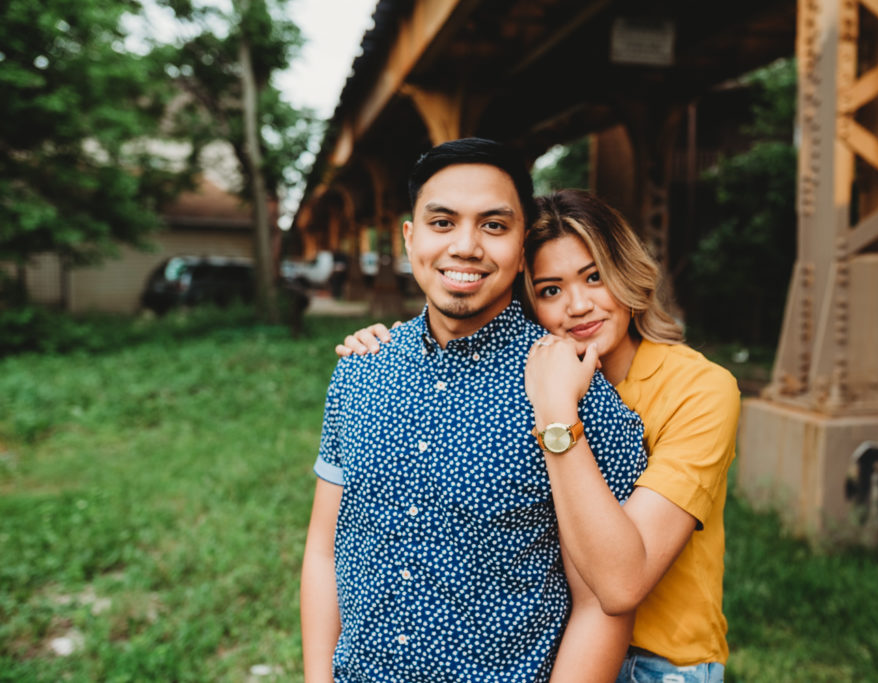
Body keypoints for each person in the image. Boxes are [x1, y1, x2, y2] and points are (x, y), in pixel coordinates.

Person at [339, 189, 741, 682]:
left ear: (628, 272)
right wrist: (397, 344)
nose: (577, 305)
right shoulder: (514, 381)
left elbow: (620, 585)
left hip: (654, 663)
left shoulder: (700, 391)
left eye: (595, 277)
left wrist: (557, 414)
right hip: (549, 650)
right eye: (550, 290)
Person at [301, 140, 647, 683]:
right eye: (442, 222)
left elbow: (603, 606)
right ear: (410, 236)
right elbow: (325, 550)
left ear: (520, 244)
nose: (465, 246)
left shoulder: (573, 391)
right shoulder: (360, 372)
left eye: (493, 225)